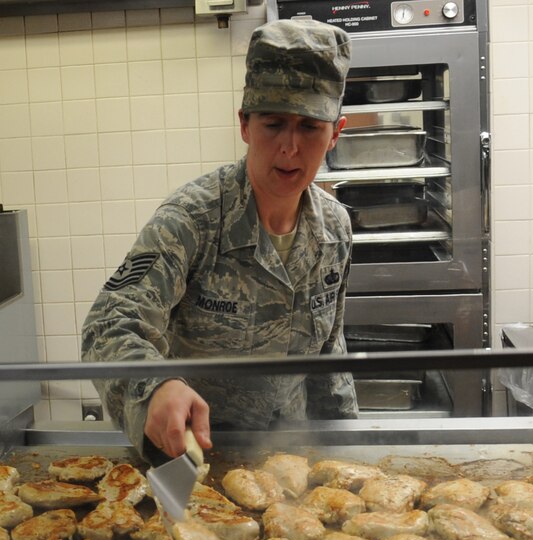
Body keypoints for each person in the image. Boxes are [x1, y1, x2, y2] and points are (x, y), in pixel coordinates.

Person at [81, 18, 358, 461]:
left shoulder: (336, 231)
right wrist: (155, 387)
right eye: (273, 124)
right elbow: (108, 326)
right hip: (195, 459)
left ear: (335, 135)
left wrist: (349, 454)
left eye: (309, 127)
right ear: (245, 125)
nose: (289, 147)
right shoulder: (193, 220)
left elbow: (329, 358)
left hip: (291, 467)